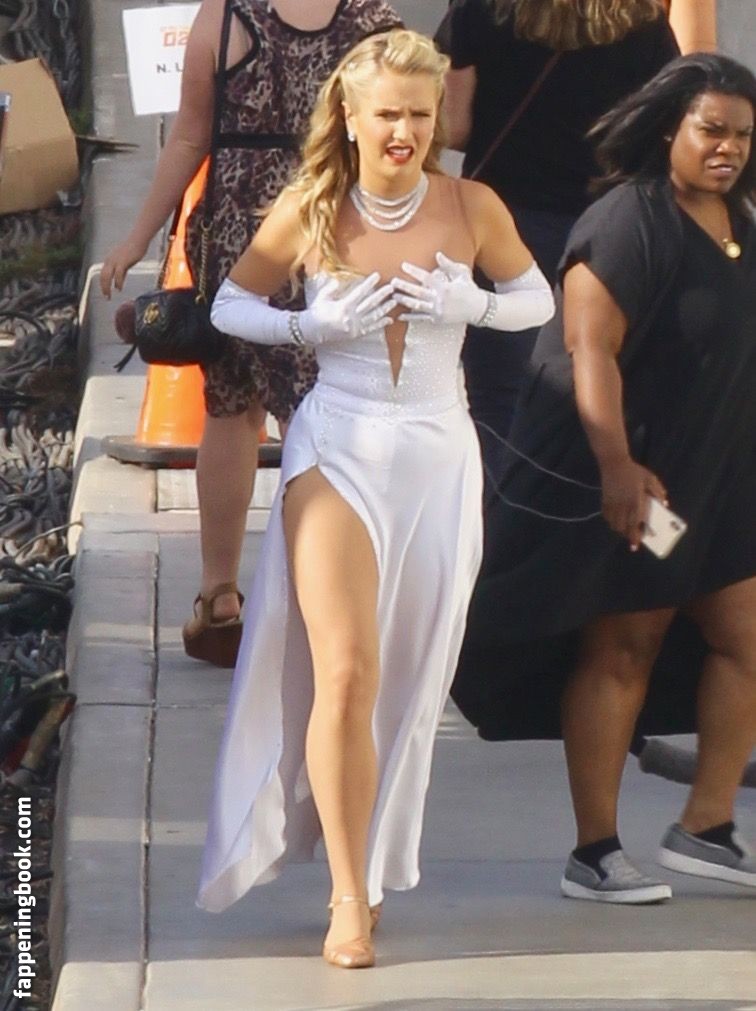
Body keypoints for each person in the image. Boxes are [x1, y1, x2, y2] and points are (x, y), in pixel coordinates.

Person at [195, 29, 553, 965]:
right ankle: (347, 895)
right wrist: (306, 324)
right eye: (388, 114)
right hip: (338, 447)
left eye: (420, 116)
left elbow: (538, 299)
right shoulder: (311, 205)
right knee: (346, 670)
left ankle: (376, 854)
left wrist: (476, 306)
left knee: (409, 678)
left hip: (438, 453)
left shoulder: (471, 204)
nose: (405, 132)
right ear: (349, 117)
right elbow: (229, 304)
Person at [456, 52, 756, 903]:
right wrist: (618, 468)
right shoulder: (627, 221)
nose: (729, 148)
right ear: (668, 129)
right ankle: (595, 851)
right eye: (712, 130)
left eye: (743, 136)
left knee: (748, 640)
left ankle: (706, 825)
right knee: (626, 645)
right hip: (642, 478)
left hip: (718, 477)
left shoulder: (735, 218)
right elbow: (589, 350)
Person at [100, 0, 403, 667]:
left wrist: (137, 238)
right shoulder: (372, 20)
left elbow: (189, 138)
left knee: (231, 409)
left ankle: (220, 594)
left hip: (240, 232)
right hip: (334, 222)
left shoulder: (225, 16)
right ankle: (322, 594)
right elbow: (402, 133)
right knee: (319, 413)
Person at [435, 0, 680, 438]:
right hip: (608, 228)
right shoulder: (644, 21)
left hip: (504, 221)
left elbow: (453, 127)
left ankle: (503, 485)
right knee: (599, 390)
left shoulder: (479, 10)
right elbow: (661, 130)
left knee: (501, 398)